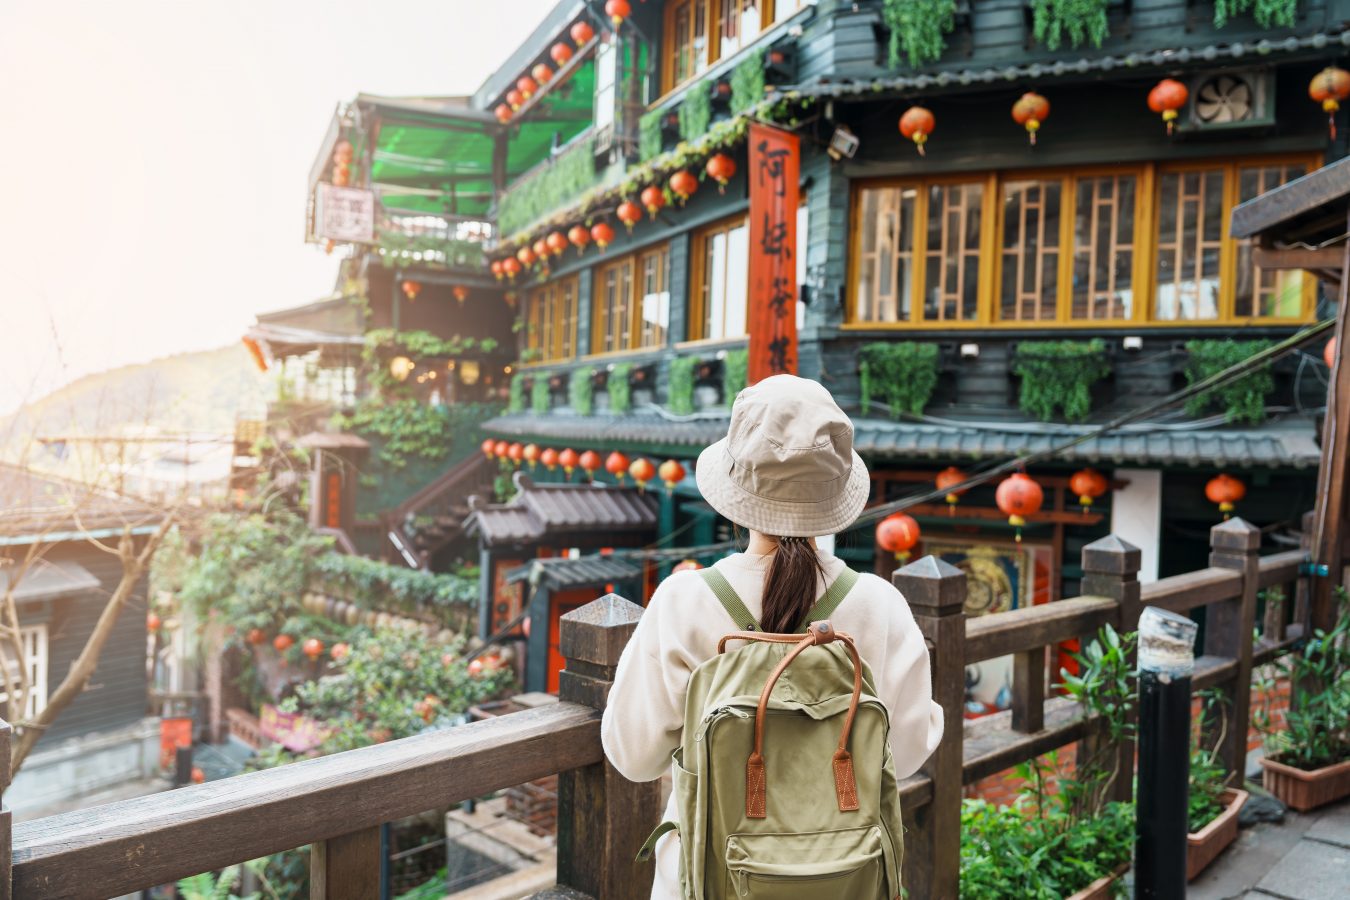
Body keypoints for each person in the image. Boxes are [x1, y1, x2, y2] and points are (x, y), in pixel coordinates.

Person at [601, 374, 944, 900]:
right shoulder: (881, 605)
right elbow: (910, 749)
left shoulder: (684, 600)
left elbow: (634, 755)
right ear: (835, 488)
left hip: (706, 880)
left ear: (737, 491)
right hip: (845, 880)